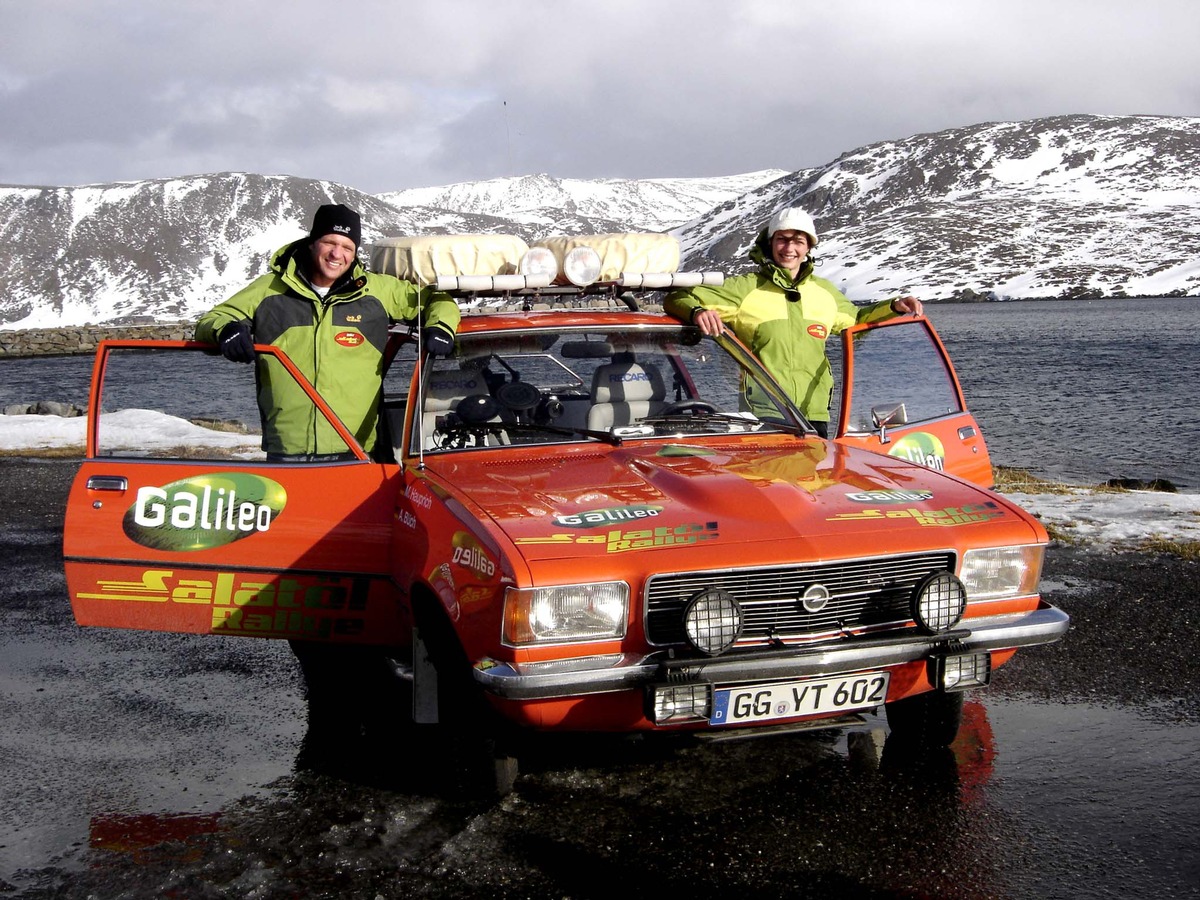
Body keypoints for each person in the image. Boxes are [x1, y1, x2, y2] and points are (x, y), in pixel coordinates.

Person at [196, 203, 460, 460]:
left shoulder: (378, 291)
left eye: (347, 247)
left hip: (356, 448)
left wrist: (441, 327)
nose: (337, 254)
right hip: (287, 449)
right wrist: (226, 330)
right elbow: (214, 318)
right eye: (330, 243)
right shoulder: (270, 290)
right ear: (313, 242)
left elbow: (438, 301)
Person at [665, 207, 923, 438]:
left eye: (798, 241)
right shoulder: (744, 289)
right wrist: (697, 311)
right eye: (782, 239)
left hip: (815, 410)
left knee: (812, 486)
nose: (789, 249)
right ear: (771, 243)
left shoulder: (824, 292)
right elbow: (678, 297)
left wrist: (893, 307)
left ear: (808, 247)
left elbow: (855, 322)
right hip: (766, 411)